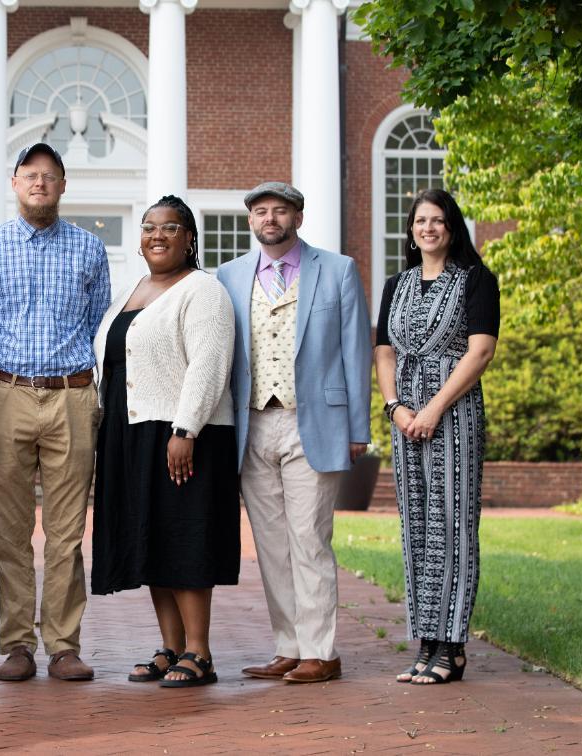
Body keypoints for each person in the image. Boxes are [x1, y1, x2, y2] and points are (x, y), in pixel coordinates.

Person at [0, 143, 111, 682]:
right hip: (6, 393)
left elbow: (94, 320)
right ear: (14, 181)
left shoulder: (90, 250)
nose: (40, 183)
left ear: (64, 184)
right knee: (10, 529)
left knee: (68, 532)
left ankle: (64, 644)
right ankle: (17, 643)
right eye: (30, 175)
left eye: (50, 176)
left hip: (71, 394)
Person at [218, 181, 371, 684]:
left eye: (279, 211)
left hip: (315, 422)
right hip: (252, 423)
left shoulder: (337, 269)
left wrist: (357, 427)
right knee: (270, 543)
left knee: (309, 538)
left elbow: (355, 352)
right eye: (260, 211)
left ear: (298, 218)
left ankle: (321, 651)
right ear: (250, 222)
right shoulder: (229, 276)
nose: (270, 219)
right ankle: (289, 645)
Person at [91, 195, 239, 688]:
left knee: (185, 538)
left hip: (181, 434)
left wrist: (186, 429)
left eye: (169, 227)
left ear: (189, 237)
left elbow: (209, 364)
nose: (157, 235)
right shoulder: (131, 291)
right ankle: (171, 647)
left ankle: (200, 651)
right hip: (132, 431)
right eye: (149, 227)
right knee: (153, 539)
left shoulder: (203, 290)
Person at [374, 188, 498, 685]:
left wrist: (433, 408)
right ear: (411, 229)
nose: (428, 228)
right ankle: (426, 642)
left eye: (438, 220)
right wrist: (395, 408)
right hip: (405, 418)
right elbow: (383, 351)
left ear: (453, 227)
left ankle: (453, 645)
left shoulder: (474, 280)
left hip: (454, 412)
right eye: (421, 220)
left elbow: (481, 351)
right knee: (418, 526)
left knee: (453, 524)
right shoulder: (396, 284)